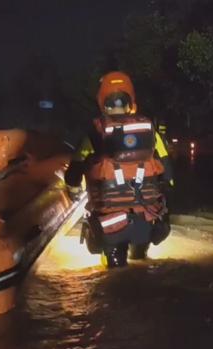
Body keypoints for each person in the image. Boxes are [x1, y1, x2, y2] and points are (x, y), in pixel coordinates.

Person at [65, 71, 173, 268]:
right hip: (148, 220)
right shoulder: (148, 129)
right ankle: (140, 255)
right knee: (141, 264)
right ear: (130, 101)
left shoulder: (96, 132)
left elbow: (76, 168)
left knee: (114, 273)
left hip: (111, 225)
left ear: (102, 102)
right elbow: (167, 170)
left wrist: (72, 189)